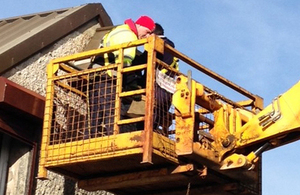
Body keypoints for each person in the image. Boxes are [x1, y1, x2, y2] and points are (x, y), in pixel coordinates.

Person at [85, 16, 155, 138]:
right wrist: (133, 86)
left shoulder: (119, 30)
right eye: (147, 32)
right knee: (111, 112)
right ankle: (114, 140)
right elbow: (125, 63)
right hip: (109, 77)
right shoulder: (129, 36)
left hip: (98, 76)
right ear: (139, 26)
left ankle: (87, 140)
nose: (148, 36)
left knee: (94, 113)